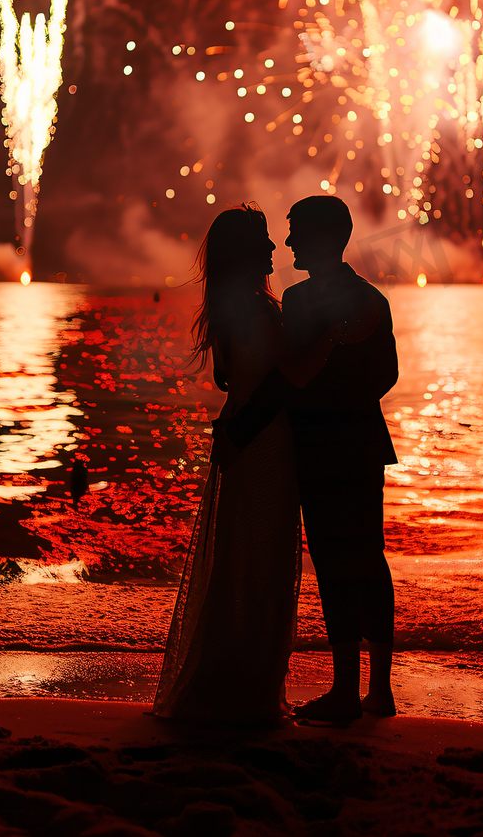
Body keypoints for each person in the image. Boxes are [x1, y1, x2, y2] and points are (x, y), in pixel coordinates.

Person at [152, 203, 338, 725]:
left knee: (240, 557)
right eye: (264, 242)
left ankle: (230, 677)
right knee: (263, 561)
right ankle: (250, 689)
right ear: (247, 253)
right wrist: (332, 331)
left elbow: (228, 381)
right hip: (267, 444)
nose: (275, 248)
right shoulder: (260, 307)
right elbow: (297, 375)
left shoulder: (231, 307)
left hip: (239, 432)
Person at [224, 196, 399, 723]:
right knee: (369, 557)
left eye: (297, 230)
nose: (291, 240)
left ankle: (349, 689)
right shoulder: (370, 298)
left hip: (325, 445)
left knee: (334, 561)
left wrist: (246, 426)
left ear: (323, 237)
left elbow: (291, 376)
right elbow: (385, 376)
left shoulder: (301, 302)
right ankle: (378, 689)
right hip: (361, 443)